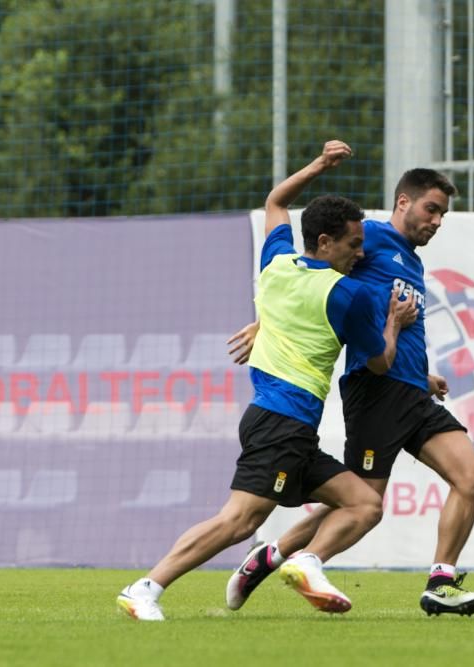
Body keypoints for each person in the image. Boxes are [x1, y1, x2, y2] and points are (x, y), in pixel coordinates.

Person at [117, 140, 417, 621]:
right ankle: (145, 587)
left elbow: (276, 202)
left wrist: (319, 165)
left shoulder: (276, 263)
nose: (360, 254)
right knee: (238, 520)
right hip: (281, 422)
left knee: (363, 502)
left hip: (285, 425)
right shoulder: (350, 294)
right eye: (353, 244)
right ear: (324, 243)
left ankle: (303, 561)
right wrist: (394, 324)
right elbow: (380, 363)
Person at [225, 168, 474, 617]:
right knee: (362, 504)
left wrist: (423, 375)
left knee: (473, 478)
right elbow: (307, 275)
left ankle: (440, 583)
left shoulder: (412, 260)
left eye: (443, 214)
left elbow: (390, 330)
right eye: (431, 209)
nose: (437, 221)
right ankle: (291, 558)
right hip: (374, 392)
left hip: (411, 391)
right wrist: (267, 322)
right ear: (403, 202)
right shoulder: (366, 236)